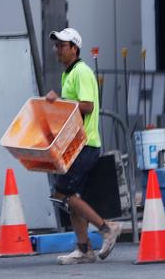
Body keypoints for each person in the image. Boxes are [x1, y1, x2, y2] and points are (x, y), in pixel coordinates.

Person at [46, 27, 122, 265]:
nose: (57, 49)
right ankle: (84, 249)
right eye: (56, 45)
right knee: (72, 197)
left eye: (62, 45)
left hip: (85, 145)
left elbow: (87, 105)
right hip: (74, 145)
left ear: (74, 49)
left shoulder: (82, 72)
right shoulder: (68, 74)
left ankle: (107, 228)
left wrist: (59, 102)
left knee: (62, 194)